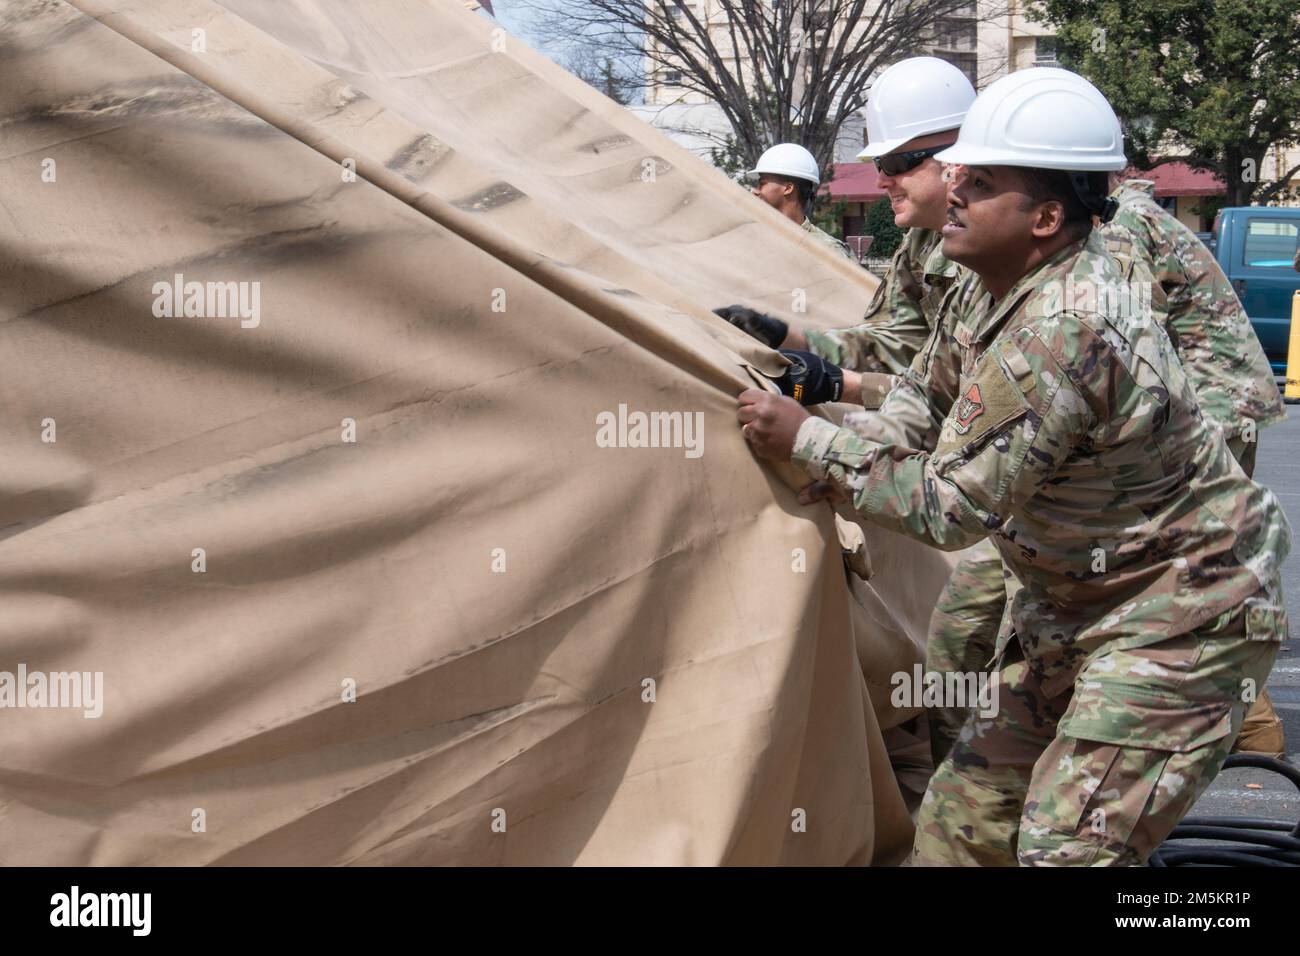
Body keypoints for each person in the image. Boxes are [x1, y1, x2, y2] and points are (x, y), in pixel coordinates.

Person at [736, 67, 1290, 866]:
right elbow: (921, 400)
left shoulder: (1069, 325)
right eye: (956, 174)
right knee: (962, 832)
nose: (951, 194)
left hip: (1178, 618)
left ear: (1047, 217)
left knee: (1065, 851)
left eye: (981, 182)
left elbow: (952, 508)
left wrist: (809, 440)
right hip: (1073, 605)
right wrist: (853, 441)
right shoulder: (978, 284)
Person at [925, 168, 1292, 765]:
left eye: (968, 177)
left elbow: (1087, 356)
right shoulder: (1006, 239)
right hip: (1157, 414)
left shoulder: (1107, 236)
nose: (951, 187)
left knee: (1171, 575)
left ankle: (1224, 722)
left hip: (1205, 410)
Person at [716, 58, 975, 409]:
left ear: (956, 158)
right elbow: (895, 342)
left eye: (897, 164)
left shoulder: (999, 252)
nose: (881, 180)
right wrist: (790, 339)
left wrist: (842, 387)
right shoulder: (922, 240)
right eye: (880, 165)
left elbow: (967, 400)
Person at [746, 143, 854, 260]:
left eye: (762, 184)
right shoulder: (751, 240)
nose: (755, 191)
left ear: (788, 188)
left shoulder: (828, 251)